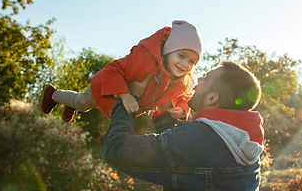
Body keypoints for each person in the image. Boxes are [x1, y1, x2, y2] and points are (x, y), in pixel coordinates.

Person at [104, 61, 265, 191]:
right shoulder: (244, 137)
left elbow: (117, 148)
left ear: (212, 98)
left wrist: (131, 95)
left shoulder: (197, 140)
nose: (199, 79)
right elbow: (185, 158)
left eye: (207, 78)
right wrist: (164, 103)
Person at [39, 20, 202, 123]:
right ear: (168, 51)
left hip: (122, 104)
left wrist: (182, 109)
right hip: (106, 86)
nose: (184, 64)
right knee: (82, 103)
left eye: (191, 62)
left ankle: (70, 102)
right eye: (181, 55)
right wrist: (125, 95)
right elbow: (112, 69)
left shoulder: (180, 81)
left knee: (83, 104)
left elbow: (184, 96)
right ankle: (53, 94)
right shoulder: (144, 58)